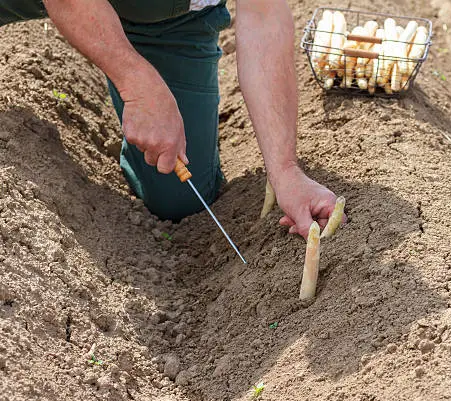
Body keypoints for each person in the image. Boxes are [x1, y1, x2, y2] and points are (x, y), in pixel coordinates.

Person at [0, 0, 341, 239]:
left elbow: (264, 16)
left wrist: (285, 170)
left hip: (169, 23)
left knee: (179, 198)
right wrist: (138, 84)